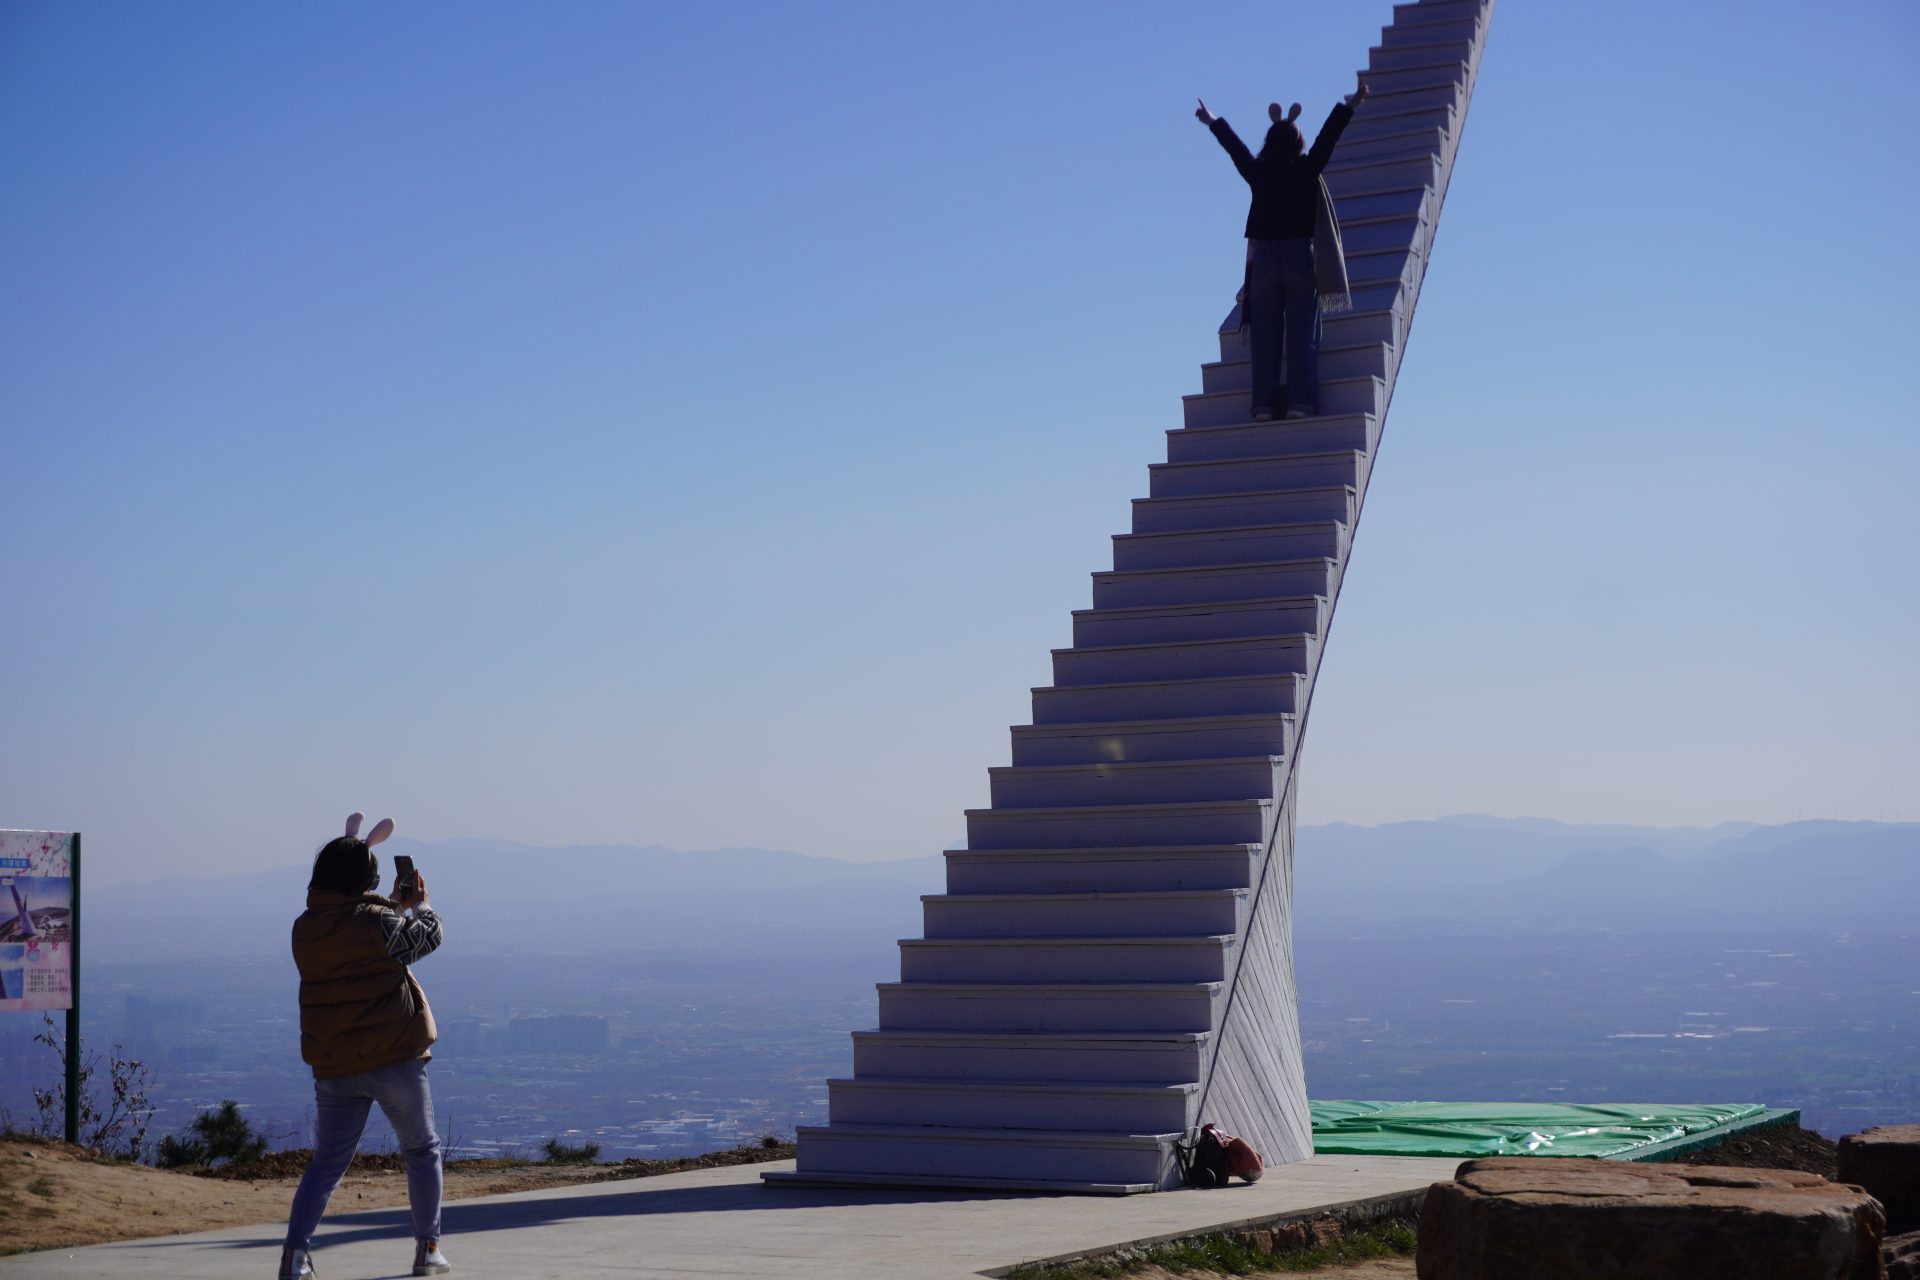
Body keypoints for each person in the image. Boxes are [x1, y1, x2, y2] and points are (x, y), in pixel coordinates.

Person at [279, 813, 450, 1280]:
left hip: (334, 1065)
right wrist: (422, 906)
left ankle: (294, 1257)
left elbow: (354, 933)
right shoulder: (377, 922)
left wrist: (388, 907)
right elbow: (424, 939)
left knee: (327, 1163)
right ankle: (427, 1249)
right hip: (394, 1056)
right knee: (421, 1150)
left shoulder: (304, 928)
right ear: (365, 879)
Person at [1196, 73, 1369, 421]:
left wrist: (1212, 121)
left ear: (1270, 141)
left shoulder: (1259, 173)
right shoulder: (1306, 169)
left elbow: (1236, 148)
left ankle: (1262, 405)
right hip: (1298, 257)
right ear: (1296, 143)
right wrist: (1350, 104)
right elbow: (1327, 138)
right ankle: (1299, 404)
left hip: (1263, 262)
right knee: (1303, 333)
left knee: (1265, 337)